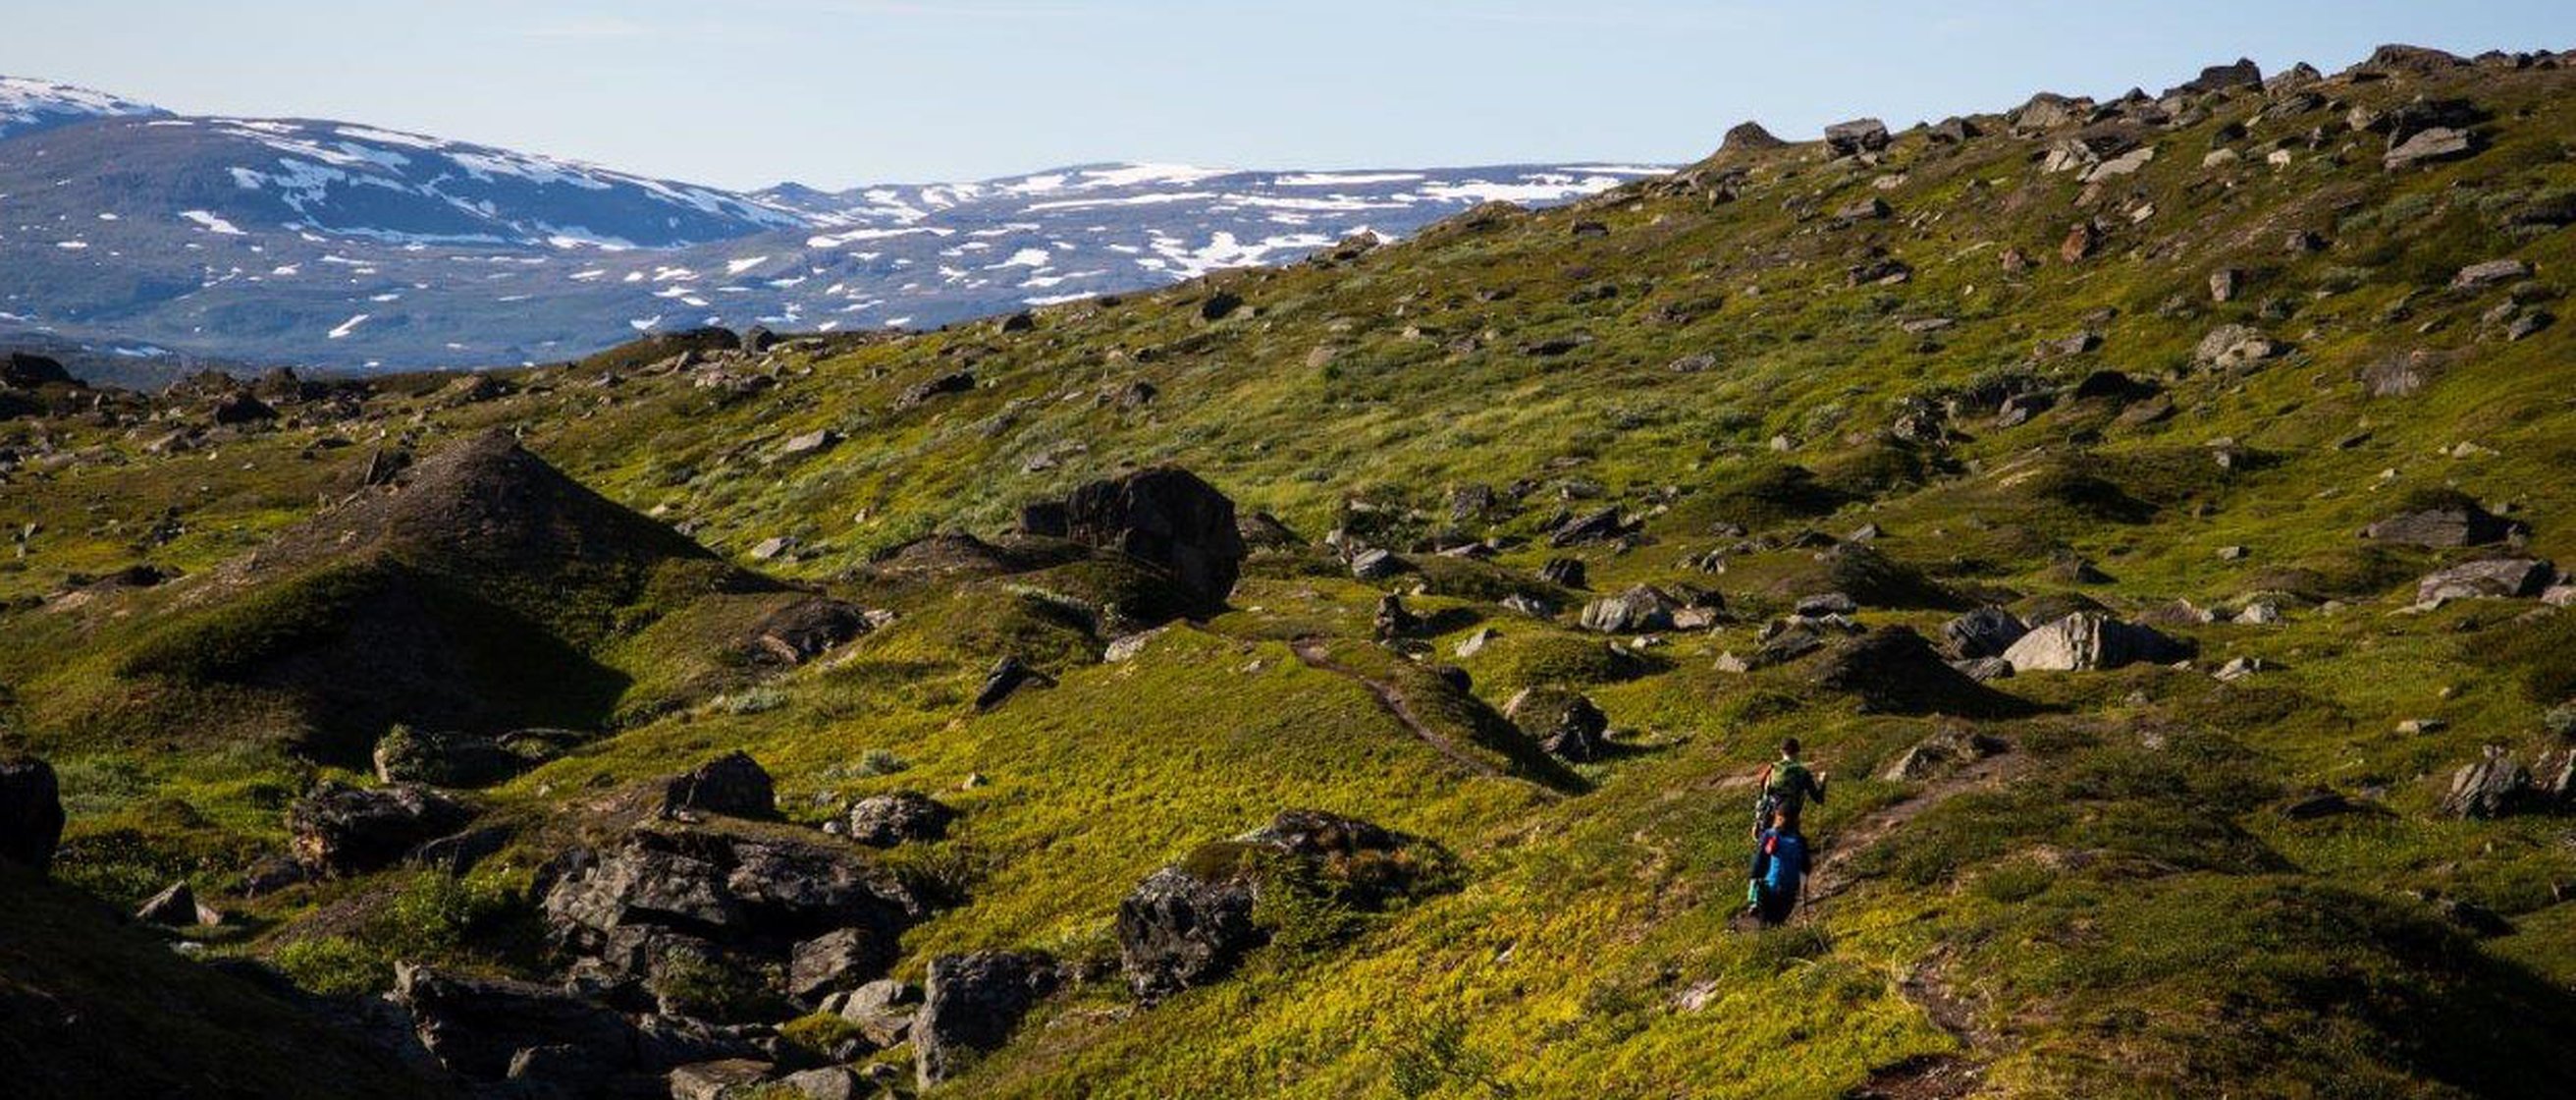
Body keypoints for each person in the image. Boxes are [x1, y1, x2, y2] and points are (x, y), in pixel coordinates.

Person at [1746, 807, 1811, 925]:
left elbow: (1759, 861)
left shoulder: (1770, 834)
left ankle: (1767, 930)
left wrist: (1753, 885)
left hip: (1770, 888)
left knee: (1765, 923)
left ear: (1778, 818)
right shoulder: (1800, 840)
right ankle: (1778, 933)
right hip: (1790, 890)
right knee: (1778, 921)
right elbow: (1806, 867)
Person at [1753, 737, 1827, 834]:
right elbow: (1818, 799)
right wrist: (1822, 782)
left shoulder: (1772, 768)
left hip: (1772, 816)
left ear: (1781, 751)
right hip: (1791, 817)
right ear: (1798, 751)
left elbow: (1763, 787)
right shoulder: (1803, 772)